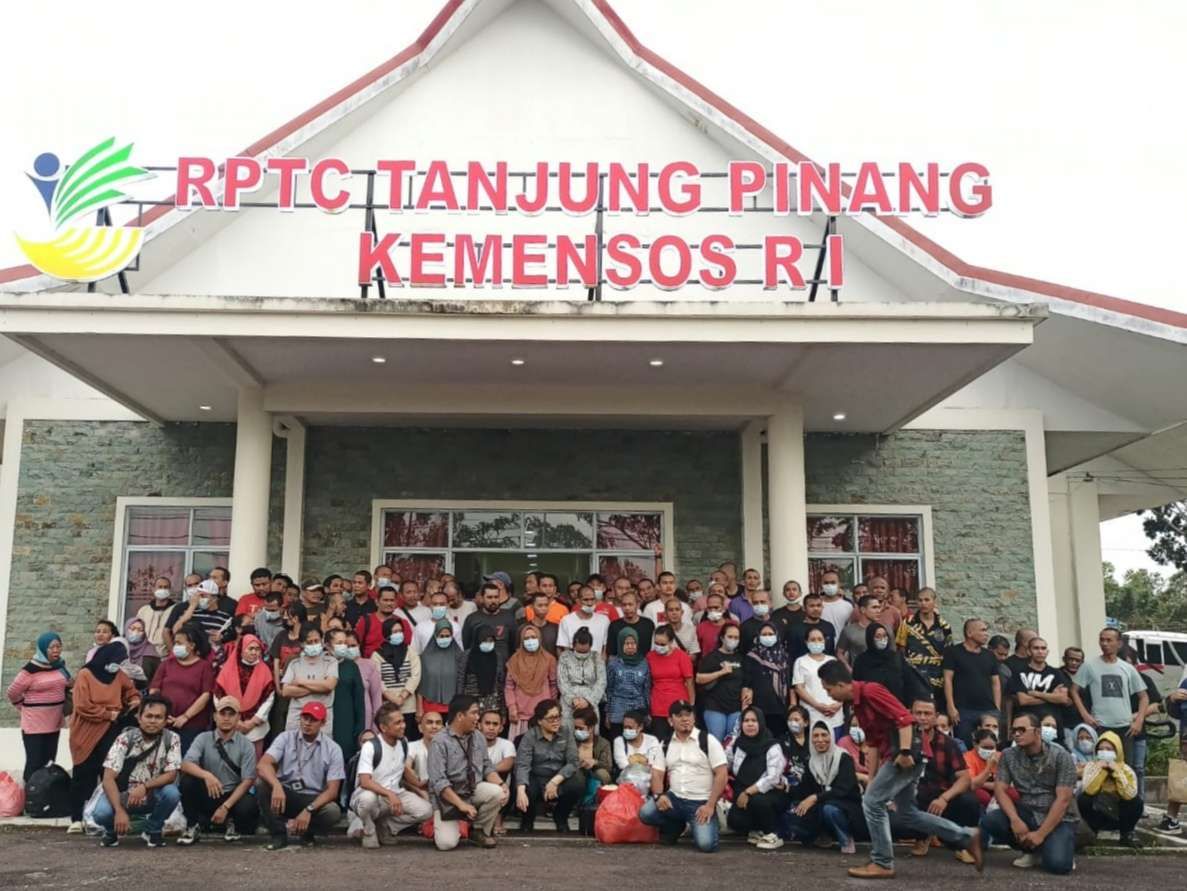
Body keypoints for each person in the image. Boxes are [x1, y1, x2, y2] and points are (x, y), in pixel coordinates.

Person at [819, 661, 982, 880]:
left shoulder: (871, 691)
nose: (828, 694)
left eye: (828, 689)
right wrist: (872, 778)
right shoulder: (857, 704)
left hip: (904, 756)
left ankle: (882, 862)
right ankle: (966, 837)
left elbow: (904, 719)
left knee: (872, 804)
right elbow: (873, 743)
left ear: (840, 685)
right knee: (907, 814)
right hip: (898, 755)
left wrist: (905, 753)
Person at [979, 712, 1078, 873]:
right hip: (1027, 812)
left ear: (1037, 732)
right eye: (1014, 730)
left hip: (1057, 818)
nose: (1017, 734)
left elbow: (1063, 800)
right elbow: (999, 789)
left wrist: (1040, 834)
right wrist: (1015, 819)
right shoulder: (1008, 755)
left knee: (1058, 866)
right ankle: (1030, 850)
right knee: (991, 820)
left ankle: (1055, 848)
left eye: (1022, 730)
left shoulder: (1061, 756)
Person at [67, 641, 140, 830]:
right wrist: (107, 714)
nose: (117, 665)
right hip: (85, 730)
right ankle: (76, 818)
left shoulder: (118, 675)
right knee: (83, 773)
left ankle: (101, 816)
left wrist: (134, 700)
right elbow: (82, 705)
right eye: (116, 661)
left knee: (107, 772)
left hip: (109, 730)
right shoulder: (85, 674)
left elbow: (131, 690)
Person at [91, 694, 182, 848]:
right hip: (123, 794)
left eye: (158, 717)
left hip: (151, 794)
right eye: (149, 716)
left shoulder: (172, 739)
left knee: (172, 794)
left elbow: (171, 775)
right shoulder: (124, 739)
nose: (153, 721)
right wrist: (119, 810)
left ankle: (153, 830)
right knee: (101, 813)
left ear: (166, 720)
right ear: (139, 718)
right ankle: (111, 831)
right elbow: (108, 778)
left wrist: (144, 787)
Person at [640, 700, 728, 852]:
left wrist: (710, 805)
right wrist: (659, 796)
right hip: (674, 799)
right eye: (680, 715)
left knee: (706, 844)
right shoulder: (665, 743)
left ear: (694, 718)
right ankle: (676, 825)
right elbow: (657, 773)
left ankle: (709, 820)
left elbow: (722, 774)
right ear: (670, 721)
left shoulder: (708, 740)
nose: (685, 719)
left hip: (701, 802)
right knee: (645, 813)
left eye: (688, 715)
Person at [256, 701, 345, 850]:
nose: (307, 723)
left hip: (312, 798)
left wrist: (308, 809)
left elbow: (332, 791)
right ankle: (278, 835)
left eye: (313, 720)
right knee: (262, 784)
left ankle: (306, 832)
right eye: (305, 718)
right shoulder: (285, 738)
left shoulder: (333, 749)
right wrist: (276, 786)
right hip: (285, 793)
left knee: (332, 812)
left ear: (323, 723)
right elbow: (263, 764)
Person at [427, 695, 510, 850]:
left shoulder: (478, 736)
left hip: (472, 789)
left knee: (498, 792)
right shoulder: (439, 741)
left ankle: (477, 830)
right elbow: (439, 783)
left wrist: (501, 784)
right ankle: (450, 823)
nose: (477, 717)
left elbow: (486, 766)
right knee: (446, 844)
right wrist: (461, 805)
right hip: (448, 798)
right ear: (460, 716)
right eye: (474, 713)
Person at [350, 702, 433, 847]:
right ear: (383, 727)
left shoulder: (403, 742)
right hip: (371, 794)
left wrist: (420, 785)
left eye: (403, 721)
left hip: (395, 794)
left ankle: (385, 827)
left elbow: (404, 771)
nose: (403, 726)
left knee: (426, 810)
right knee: (367, 800)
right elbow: (365, 781)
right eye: (397, 723)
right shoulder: (371, 746)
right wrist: (389, 794)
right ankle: (369, 830)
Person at [908, 698, 981, 862]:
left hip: (941, 799)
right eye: (918, 713)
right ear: (910, 714)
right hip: (911, 797)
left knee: (969, 801)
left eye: (927, 713)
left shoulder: (948, 743)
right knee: (894, 817)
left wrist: (944, 798)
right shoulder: (903, 740)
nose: (922, 717)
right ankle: (921, 837)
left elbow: (965, 778)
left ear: (936, 716)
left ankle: (963, 846)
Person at [177, 695, 258, 844]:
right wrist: (207, 776)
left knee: (248, 805)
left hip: (232, 796)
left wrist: (226, 807)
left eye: (231, 714)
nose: (226, 718)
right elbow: (186, 764)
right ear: (215, 716)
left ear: (238, 718)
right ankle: (192, 826)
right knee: (188, 781)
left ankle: (232, 823)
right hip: (210, 792)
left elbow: (248, 780)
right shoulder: (203, 738)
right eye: (222, 713)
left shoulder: (247, 745)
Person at [786, 721, 867, 854]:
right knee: (796, 810)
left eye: (824, 735)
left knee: (830, 810)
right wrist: (786, 788)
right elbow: (805, 789)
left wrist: (815, 797)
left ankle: (846, 839)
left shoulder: (843, 757)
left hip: (846, 807)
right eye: (815, 736)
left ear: (831, 736)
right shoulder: (811, 761)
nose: (820, 740)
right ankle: (822, 836)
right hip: (822, 804)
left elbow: (843, 790)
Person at [1070, 627, 1147, 766]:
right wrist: (1085, 714)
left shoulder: (1128, 668)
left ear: (1119, 643)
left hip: (1125, 726)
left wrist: (1139, 721)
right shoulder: (1089, 666)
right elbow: (1074, 690)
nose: (1104, 643)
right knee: (1101, 767)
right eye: (1102, 640)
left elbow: (1144, 696)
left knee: (1125, 767)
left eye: (1109, 640)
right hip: (1100, 725)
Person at [8, 631, 71, 783]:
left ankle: (45, 794)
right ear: (43, 649)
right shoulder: (30, 670)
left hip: (53, 723)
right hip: (34, 724)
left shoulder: (60, 667)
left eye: (58, 646)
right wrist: (23, 707)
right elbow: (12, 692)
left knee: (49, 762)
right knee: (34, 762)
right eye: (51, 647)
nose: (56, 650)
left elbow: (68, 683)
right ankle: (30, 793)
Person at [513, 699, 583, 832]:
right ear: (540, 721)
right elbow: (522, 765)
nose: (556, 721)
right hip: (536, 777)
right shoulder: (530, 736)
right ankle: (527, 819)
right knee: (523, 785)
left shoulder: (566, 732)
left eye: (558, 717)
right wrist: (520, 791)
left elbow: (573, 762)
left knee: (578, 781)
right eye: (551, 718)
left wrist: (554, 782)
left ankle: (561, 817)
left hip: (559, 777)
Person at [722, 707, 787, 849]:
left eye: (754, 720)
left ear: (761, 723)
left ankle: (773, 834)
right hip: (742, 791)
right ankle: (757, 830)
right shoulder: (737, 744)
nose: (750, 724)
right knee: (734, 819)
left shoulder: (772, 746)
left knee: (759, 802)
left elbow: (773, 778)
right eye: (746, 721)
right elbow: (725, 764)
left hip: (768, 793)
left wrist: (748, 792)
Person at [145, 624, 212, 754]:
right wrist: (163, 714)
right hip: (163, 722)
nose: (175, 646)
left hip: (192, 725)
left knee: (185, 759)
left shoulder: (204, 667)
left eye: (179, 643)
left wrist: (185, 717)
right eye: (175, 642)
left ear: (192, 646)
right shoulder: (166, 664)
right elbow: (154, 689)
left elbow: (206, 695)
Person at [213, 632, 274, 758]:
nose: (254, 652)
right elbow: (218, 696)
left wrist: (253, 722)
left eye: (257, 649)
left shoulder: (265, 671)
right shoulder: (227, 669)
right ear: (242, 649)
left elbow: (269, 698)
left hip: (255, 728)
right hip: (230, 724)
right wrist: (234, 721)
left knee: (253, 760)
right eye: (250, 648)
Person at [942, 618, 1001, 746]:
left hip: (988, 709)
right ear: (969, 633)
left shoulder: (989, 655)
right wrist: (951, 706)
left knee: (989, 744)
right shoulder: (953, 652)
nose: (986, 634)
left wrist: (997, 708)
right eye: (982, 630)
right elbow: (947, 679)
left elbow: (995, 682)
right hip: (963, 710)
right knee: (964, 745)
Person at [1078, 729, 1142, 846]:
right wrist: (1100, 770)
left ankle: (1127, 834)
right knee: (1083, 799)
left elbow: (1129, 795)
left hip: (1119, 813)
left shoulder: (1127, 770)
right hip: (1099, 812)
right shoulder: (1091, 766)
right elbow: (1088, 790)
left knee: (1136, 802)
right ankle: (1091, 832)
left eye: (1109, 749)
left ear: (1117, 751)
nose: (1104, 752)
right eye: (1101, 749)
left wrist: (1117, 771)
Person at [1119, 644, 1161, 804]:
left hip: (1138, 731)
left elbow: (1156, 705)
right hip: (1114, 730)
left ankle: (1139, 803)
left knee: (1138, 768)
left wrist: (1137, 716)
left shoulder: (1144, 680)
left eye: (1130, 664)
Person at [895, 587, 951, 707]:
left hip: (937, 678)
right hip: (914, 676)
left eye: (927, 600)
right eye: (920, 600)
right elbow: (901, 649)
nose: (923, 603)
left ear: (934, 602)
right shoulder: (907, 623)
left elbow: (948, 653)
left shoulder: (944, 626)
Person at [1006, 636, 1070, 737]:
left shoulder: (1057, 673)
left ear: (1047, 652)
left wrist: (1036, 693)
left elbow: (1063, 698)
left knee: (1052, 747)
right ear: (1028, 651)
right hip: (1026, 725)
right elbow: (1023, 700)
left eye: (1043, 648)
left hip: (1051, 724)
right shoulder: (1019, 673)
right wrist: (1052, 696)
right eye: (1036, 648)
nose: (1040, 651)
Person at [281, 623, 339, 733]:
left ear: (322, 640)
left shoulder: (331, 662)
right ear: (302, 644)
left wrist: (301, 682)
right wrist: (319, 687)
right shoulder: (294, 664)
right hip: (297, 716)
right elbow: (286, 691)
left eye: (316, 641)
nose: (313, 644)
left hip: (322, 717)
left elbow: (329, 685)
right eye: (309, 642)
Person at [504, 624, 558, 739]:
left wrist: (552, 708)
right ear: (521, 641)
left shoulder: (549, 659)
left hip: (543, 715)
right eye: (526, 638)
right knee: (520, 746)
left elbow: (553, 685)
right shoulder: (515, 660)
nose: (530, 641)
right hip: (520, 715)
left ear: (539, 638)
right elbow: (509, 686)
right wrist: (512, 707)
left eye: (533, 637)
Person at [854, 622, 925, 708]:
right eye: (878, 636)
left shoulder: (896, 658)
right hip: (872, 707)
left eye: (884, 636)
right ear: (870, 639)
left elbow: (909, 682)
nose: (882, 639)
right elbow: (857, 686)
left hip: (896, 707)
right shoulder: (861, 661)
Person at [741, 622, 791, 739]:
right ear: (758, 637)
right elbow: (746, 682)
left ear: (776, 636)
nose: (768, 637)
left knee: (779, 741)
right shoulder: (752, 657)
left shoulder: (785, 657)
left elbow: (791, 682)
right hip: (760, 708)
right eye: (764, 634)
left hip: (781, 708)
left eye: (770, 634)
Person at [696, 622, 744, 743]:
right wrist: (721, 672)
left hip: (736, 707)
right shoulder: (712, 657)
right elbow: (699, 678)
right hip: (715, 707)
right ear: (722, 638)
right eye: (730, 636)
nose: (733, 640)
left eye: (736, 637)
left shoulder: (741, 658)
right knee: (716, 743)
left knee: (732, 742)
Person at [793, 625, 844, 738]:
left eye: (820, 639)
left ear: (825, 641)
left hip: (835, 715)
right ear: (806, 642)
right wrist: (817, 706)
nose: (816, 642)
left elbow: (843, 686)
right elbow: (799, 688)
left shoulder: (832, 660)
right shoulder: (801, 661)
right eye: (813, 639)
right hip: (813, 715)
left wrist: (838, 704)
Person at [373, 616, 421, 734]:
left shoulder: (410, 651)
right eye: (394, 632)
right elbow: (378, 679)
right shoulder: (377, 655)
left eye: (400, 631)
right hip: (387, 707)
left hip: (408, 705)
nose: (398, 634)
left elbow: (415, 675)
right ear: (387, 633)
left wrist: (402, 697)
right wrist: (393, 699)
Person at [645, 625, 693, 743]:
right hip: (658, 706)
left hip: (679, 706)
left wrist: (691, 705)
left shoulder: (681, 656)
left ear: (671, 642)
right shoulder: (650, 656)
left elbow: (689, 682)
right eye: (656, 643)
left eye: (663, 644)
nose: (659, 647)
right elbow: (647, 682)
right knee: (660, 742)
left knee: (681, 741)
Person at [327, 627, 367, 765]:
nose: (343, 646)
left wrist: (359, 730)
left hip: (346, 725)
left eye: (344, 642)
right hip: (324, 722)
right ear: (328, 645)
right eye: (339, 643)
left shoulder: (351, 667)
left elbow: (359, 702)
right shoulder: (321, 664)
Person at [605, 626, 650, 740]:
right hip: (617, 709)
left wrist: (647, 712)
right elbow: (609, 689)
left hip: (638, 708)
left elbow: (646, 689)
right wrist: (608, 713)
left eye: (633, 643)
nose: (630, 646)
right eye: (627, 643)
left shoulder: (644, 663)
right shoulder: (613, 663)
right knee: (618, 742)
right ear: (621, 644)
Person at [418, 619, 467, 719]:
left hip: (453, 708)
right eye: (441, 636)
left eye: (447, 636)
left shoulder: (460, 656)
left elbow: (463, 682)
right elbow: (420, 685)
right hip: (430, 708)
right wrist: (419, 708)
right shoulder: (424, 657)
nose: (445, 639)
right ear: (435, 635)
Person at [557, 627, 606, 725]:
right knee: (567, 730)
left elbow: (601, 681)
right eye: (579, 651)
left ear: (590, 646)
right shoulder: (565, 657)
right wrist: (572, 700)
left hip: (590, 700)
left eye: (585, 651)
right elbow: (562, 681)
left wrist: (588, 700)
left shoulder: (596, 657)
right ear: (574, 645)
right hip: (569, 702)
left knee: (590, 729)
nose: (582, 653)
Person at [462, 582, 519, 662]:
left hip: (504, 665)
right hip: (479, 665)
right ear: (482, 598)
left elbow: (514, 644)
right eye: (489, 597)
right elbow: (467, 645)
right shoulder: (472, 619)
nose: (493, 600)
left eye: (496, 597)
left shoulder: (509, 617)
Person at [461, 625, 506, 720]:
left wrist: (503, 711)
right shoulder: (467, 655)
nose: (488, 643)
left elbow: (500, 683)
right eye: (484, 640)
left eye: (491, 640)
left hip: (492, 704)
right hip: (470, 703)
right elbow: (460, 679)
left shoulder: (497, 656)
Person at [557, 586, 611, 653]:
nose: (590, 603)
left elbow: (605, 649)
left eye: (592, 599)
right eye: (586, 600)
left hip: (597, 659)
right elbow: (564, 648)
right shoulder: (566, 620)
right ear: (578, 601)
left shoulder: (604, 620)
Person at [405, 710, 446, 797]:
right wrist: (419, 790)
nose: (434, 726)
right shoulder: (411, 746)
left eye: (438, 723)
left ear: (443, 729)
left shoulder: (449, 749)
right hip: (420, 792)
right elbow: (406, 769)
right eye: (429, 723)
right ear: (420, 728)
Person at [787, 593, 837, 661]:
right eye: (812, 606)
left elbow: (831, 652)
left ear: (822, 607)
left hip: (827, 666)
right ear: (804, 608)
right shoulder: (795, 630)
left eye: (818, 605)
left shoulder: (829, 627)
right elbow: (791, 656)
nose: (816, 609)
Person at [837, 595, 883, 667]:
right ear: (863, 610)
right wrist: (849, 669)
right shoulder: (849, 630)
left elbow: (892, 653)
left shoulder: (885, 630)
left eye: (879, 607)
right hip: (858, 672)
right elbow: (839, 653)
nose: (878, 611)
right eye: (874, 607)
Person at [612, 709, 663, 774]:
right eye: (625, 727)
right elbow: (622, 765)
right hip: (627, 778)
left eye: (630, 728)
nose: (627, 730)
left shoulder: (652, 740)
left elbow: (653, 764)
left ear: (640, 727)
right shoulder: (619, 741)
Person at [573, 705, 613, 788]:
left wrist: (594, 762)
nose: (577, 731)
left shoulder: (603, 743)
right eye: (575, 728)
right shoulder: (571, 741)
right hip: (574, 775)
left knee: (602, 774)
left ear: (591, 728)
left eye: (581, 728)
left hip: (594, 776)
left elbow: (608, 766)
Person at [135, 577, 177, 655]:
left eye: (165, 587)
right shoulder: (144, 610)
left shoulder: (176, 610)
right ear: (153, 589)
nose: (163, 590)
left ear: (170, 590)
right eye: (160, 587)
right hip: (143, 654)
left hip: (165, 655)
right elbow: (136, 630)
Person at [606, 590, 655, 657]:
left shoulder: (648, 624)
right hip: (621, 663)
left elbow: (653, 650)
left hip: (644, 662)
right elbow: (611, 654)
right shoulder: (614, 626)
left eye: (630, 604)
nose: (627, 608)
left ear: (637, 605)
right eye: (624, 605)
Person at [964, 728, 1002, 809]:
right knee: (983, 797)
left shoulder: (1000, 756)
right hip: (975, 789)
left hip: (997, 787)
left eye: (991, 748)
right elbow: (972, 784)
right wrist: (989, 767)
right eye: (985, 747)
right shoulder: (968, 757)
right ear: (975, 744)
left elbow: (1006, 781)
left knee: (1013, 793)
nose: (988, 751)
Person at [122, 618, 160, 690]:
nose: (135, 632)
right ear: (126, 629)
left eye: (140, 630)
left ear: (144, 633)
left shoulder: (150, 652)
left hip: (143, 693)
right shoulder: (119, 647)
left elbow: (157, 677)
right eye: (132, 629)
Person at [695, 591, 732, 656]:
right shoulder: (701, 627)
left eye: (716, 607)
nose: (713, 610)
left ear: (723, 608)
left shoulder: (733, 625)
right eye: (710, 608)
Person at [818, 569, 853, 637]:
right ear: (821, 584)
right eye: (826, 583)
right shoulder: (815, 606)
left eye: (833, 582)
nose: (829, 585)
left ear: (839, 584)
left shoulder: (848, 606)